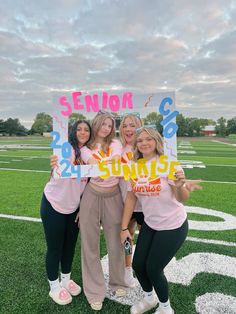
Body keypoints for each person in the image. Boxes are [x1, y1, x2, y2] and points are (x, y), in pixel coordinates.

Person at [120, 127, 202, 314]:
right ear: (136, 144)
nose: (144, 143)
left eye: (148, 139)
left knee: (154, 268)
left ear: (157, 141)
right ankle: (150, 298)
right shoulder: (134, 166)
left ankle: (166, 308)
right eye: (140, 140)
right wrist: (124, 227)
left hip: (173, 225)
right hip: (151, 223)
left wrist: (181, 185)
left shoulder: (169, 164)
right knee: (138, 265)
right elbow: (131, 197)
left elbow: (182, 198)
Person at [79, 111, 128, 311]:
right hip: (92, 195)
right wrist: (102, 165)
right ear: (96, 124)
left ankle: (118, 283)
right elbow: (92, 164)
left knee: (116, 242)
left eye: (110, 125)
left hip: (113, 195)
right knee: (89, 244)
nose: (107, 128)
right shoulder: (85, 147)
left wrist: (104, 165)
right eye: (104, 124)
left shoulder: (115, 143)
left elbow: (115, 163)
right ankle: (94, 291)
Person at [40, 120, 91, 305]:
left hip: (73, 208)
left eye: (86, 129)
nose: (83, 132)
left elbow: (89, 186)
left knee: (70, 246)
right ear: (73, 131)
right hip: (54, 204)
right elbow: (59, 166)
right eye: (79, 129)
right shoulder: (65, 149)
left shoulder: (88, 153)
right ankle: (54, 287)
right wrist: (54, 162)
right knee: (55, 248)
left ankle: (66, 279)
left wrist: (81, 208)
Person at [119, 113, 144, 287]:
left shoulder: (145, 146)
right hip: (126, 202)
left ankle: (145, 268)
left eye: (132, 125)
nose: (128, 129)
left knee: (148, 239)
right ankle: (127, 270)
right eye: (125, 125)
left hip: (147, 203)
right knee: (127, 237)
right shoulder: (117, 148)